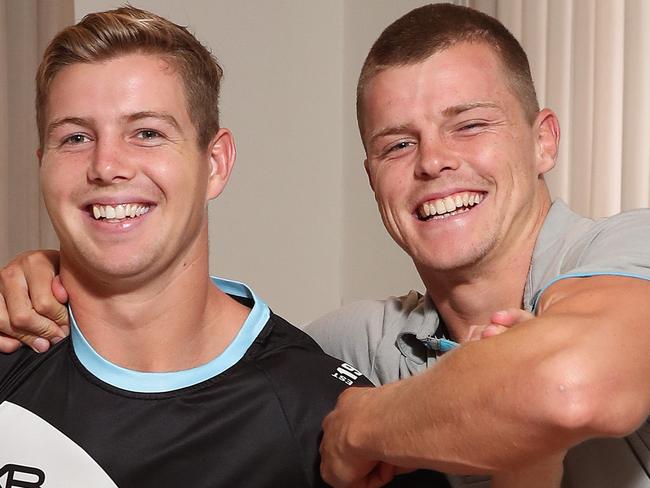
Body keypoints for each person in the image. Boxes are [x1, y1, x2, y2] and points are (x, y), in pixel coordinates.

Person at [1, 3, 649, 488]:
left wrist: (362, 426)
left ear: (544, 140)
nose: (434, 163)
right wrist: (58, 270)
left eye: (470, 125)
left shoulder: (631, 248)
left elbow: (571, 387)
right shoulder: (359, 344)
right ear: (372, 176)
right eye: (398, 143)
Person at [0, 6, 393, 487]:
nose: (106, 166)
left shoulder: (321, 414)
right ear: (43, 165)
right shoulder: (9, 349)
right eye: (76, 137)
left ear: (215, 163)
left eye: (147, 133)